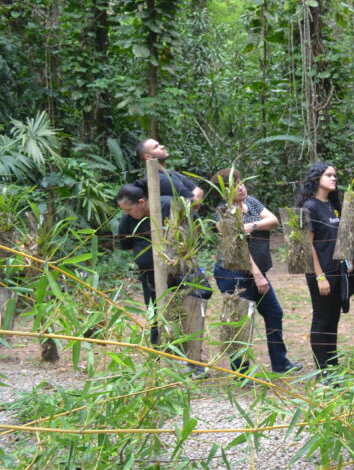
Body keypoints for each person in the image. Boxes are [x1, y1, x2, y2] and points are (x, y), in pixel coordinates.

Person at [211, 167, 302, 377]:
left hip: (257, 272)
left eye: (241, 182)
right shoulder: (225, 213)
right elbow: (239, 248)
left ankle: (280, 363)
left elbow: (274, 221)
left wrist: (249, 227)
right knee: (239, 320)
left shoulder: (250, 202)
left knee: (274, 313)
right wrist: (258, 275)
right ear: (224, 192)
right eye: (234, 186)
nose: (241, 187)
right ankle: (241, 373)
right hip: (234, 273)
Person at [115, 182, 205, 374]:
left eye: (129, 209)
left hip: (181, 270)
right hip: (151, 277)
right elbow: (127, 244)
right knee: (157, 315)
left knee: (193, 304)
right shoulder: (128, 219)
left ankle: (194, 362)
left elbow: (194, 227)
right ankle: (161, 361)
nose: (127, 214)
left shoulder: (168, 204)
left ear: (141, 202)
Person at [296, 162, 349, 377]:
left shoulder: (332, 204)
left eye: (335, 175)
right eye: (329, 175)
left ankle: (332, 365)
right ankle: (322, 370)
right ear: (316, 178)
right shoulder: (310, 207)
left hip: (337, 271)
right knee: (321, 319)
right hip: (321, 274)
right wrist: (320, 277)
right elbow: (307, 245)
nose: (334, 178)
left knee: (333, 318)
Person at [135, 139, 204, 203]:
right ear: (148, 157)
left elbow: (199, 191)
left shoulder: (170, 173)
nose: (162, 147)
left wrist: (196, 198)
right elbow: (195, 202)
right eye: (156, 147)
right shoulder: (159, 179)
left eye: (159, 145)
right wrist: (196, 198)